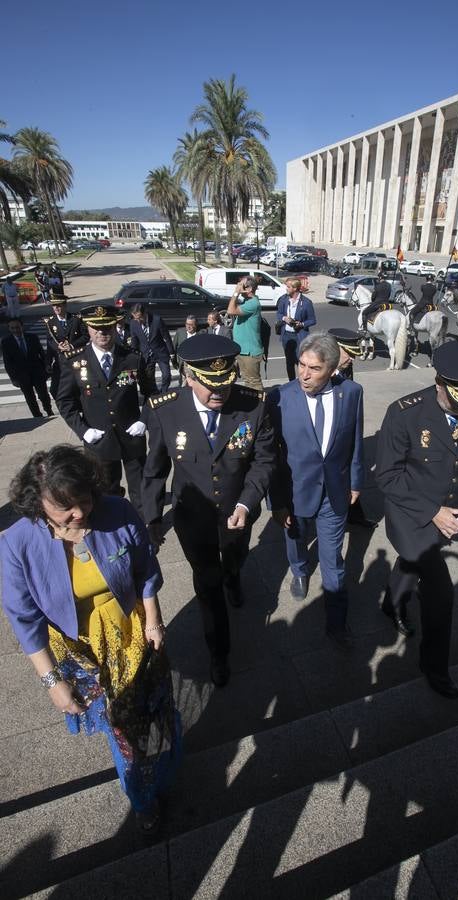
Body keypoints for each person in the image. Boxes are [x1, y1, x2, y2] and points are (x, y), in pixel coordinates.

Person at [0, 445, 180, 832]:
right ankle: (142, 798)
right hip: (78, 649)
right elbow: (24, 619)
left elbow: (146, 569)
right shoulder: (16, 544)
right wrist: (52, 682)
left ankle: (157, 771)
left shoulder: (116, 510)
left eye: (83, 500)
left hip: (129, 633)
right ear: (37, 502)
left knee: (150, 712)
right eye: (64, 507)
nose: (79, 513)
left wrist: (154, 621)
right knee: (122, 729)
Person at [143, 334, 276, 687]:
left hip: (238, 511)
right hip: (193, 517)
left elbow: (264, 460)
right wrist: (152, 518)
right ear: (189, 377)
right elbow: (154, 469)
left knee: (233, 560)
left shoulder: (254, 404)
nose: (219, 393)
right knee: (207, 583)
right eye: (210, 386)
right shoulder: (164, 408)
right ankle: (219, 653)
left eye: (226, 382)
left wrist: (248, 503)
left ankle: (233, 575)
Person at [376, 341, 458, 698]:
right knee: (441, 595)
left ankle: (391, 600)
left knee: (414, 564)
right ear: (439, 383)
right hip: (410, 514)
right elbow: (387, 477)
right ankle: (435, 667)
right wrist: (432, 512)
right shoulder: (404, 413)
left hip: (451, 512)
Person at [268, 332, 365, 651]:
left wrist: (354, 482)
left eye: (314, 369)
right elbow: (273, 457)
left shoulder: (351, 393)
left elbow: (354, 442)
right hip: (295, 494)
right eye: (301, 365)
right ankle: (298, 570)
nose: (304, 374)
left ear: (333, 369)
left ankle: (337, 623)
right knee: (295, 539)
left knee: (333, 560)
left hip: (335, 493)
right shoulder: (279, 397)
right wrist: (278, 502)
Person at [56, 304, 151, 515]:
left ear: (115, 326)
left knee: (141, 489)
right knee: (106, 493)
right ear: (88, 328)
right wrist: (83, 430)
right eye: (96, 327)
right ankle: (116, 528)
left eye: (107, 327)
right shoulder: (75, 361)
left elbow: (152, 394)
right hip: (99, 441)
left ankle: (145, 527)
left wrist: (144, 419)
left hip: (131, 436)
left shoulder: (132, 357)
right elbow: (65, 401)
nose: (102, 332)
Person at [329, 327, 377, 530]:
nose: (352, 359)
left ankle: (354, 513)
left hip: (343, 435)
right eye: (349, 353)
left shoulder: (345, 367)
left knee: (349, 475)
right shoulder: (316, 369)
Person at [1, 318, 53, 417]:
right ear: (9, 329)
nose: (16, 330)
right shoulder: (6, 342)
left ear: (22, 326)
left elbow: (41, 353)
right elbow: (8, 363)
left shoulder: (32, 337)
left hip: (37, 372)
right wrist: (13, 378)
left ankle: (49, 410)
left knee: (43, 395)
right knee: (30, 398)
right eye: (12, 328)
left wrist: (47, 366)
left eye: (17, 327)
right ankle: (37, 415)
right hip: (22, 375)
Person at [43, 296, 88, 399]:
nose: (56, 308)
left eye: (58, 305)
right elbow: (50, 341)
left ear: (65, 305)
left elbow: (85, 336)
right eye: (54, 306)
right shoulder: (50, 322)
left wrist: (72, 345)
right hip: (60, 360)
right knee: (55, 389)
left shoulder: (76, 319)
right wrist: (49, 361)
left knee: (80, 387)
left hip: (76, 357)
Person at [227, 276, 264, 391]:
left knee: (254, 382)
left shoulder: (253, 304)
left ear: (249, 289)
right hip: (242, 350)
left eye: (241, 285)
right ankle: (254, 404)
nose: (238, 286)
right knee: (247, 381)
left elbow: (230, 311)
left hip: (250, 352)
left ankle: (261, 406)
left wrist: (236, 293)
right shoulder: (247, 301)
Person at [275, 277, 317, 381]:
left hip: (299, 337)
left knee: (300, 361)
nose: (286, 289)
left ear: (295, 288)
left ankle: (302, 381)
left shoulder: (306, 302)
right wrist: (284, 318)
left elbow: (312, 320)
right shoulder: (284, 299)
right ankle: (291, 382)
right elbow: (279, 313)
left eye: (288, 287)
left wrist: (301, 324)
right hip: (287, 336)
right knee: (289, 361)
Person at [129, 303, 175, 394]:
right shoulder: (133, 323)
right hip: (146, 355)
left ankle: (164, 391)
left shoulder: (156, 320)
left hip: (160, 352)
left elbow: (166, 337)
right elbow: (134, 342)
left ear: (145, 313)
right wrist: (133, 356)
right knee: (149, 378)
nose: (138, 321)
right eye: (135, 318)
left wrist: (171, 352)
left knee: (166, 375)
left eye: (139, 317)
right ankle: (155, 393)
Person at [172, 314, 202, 385]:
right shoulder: (180, 332)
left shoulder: (201, 334)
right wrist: (175, 363)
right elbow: (173, 348)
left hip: (196, 366)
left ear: (196, 325)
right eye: (187, 324)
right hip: (183, 365)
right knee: (184, 384)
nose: (188, 326)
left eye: (191, 324)